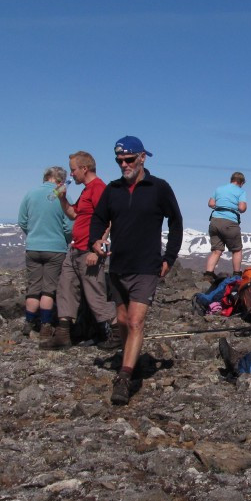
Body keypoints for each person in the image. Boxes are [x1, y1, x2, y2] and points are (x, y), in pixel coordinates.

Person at [89, 136, 183, 406]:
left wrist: (169, 258)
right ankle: (131, 358)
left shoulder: (159, 188)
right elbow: (99, 218)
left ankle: (124, 377)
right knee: (121, 320)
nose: (124, 165)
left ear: (142, 158)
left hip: (146, 266)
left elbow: (176, 222)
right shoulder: (113, 189)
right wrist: (95, 241)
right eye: (119, 161)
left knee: (135, 321)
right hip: (118, 266)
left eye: (129, 159)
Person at [47, 151, 119, 350]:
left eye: (73, 170)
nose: (71, 175)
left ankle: (117, 333)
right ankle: (63, 334)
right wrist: (62, 199)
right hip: (75, 249)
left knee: (95, 295)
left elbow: (108, 220)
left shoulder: (98, 188)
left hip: (89, 250)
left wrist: (97, 250)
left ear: (84, 168)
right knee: (65, 288)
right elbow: (74, 214)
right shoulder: (86, 190)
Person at [17, 166, 73, 344]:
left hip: (33, 247)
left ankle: (28, 323)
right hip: (56, 249)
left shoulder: (30, 194)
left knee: (33, 287)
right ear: (61, 180)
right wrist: (63, 240)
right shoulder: (63, 196)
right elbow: (69, 226)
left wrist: (33, 235)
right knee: (49, 289)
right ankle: (46, 326)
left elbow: (22, 221)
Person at [205, 172, 247, 279]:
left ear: (231, 180)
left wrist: (221, 205)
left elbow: (211, 203)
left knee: (216, 250)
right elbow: (242, 208)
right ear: (241, 182)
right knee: (236, 250)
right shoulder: (241, 191)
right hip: (230, 222)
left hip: (215, 221)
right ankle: (236, 275)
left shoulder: (219, 189)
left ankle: (208, 274)